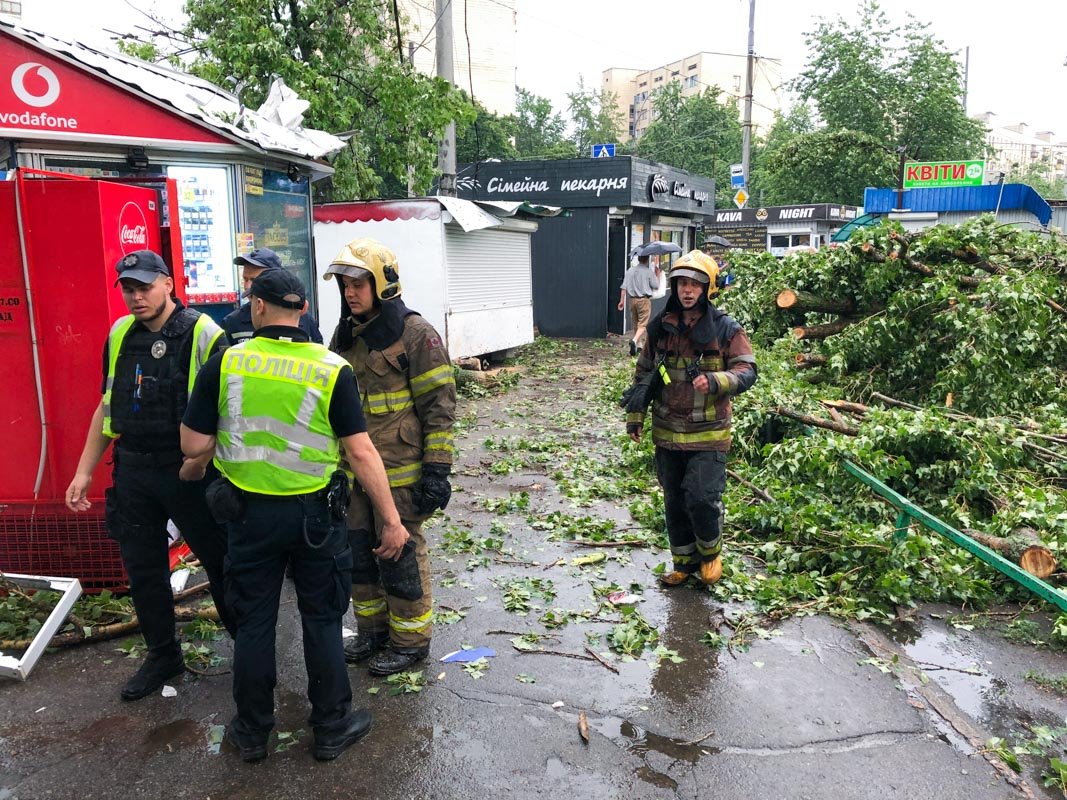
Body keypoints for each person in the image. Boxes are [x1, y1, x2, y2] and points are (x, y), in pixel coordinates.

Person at [180, 269, 408, 763]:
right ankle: (331, 727)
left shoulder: (228, 363)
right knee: (323, 619)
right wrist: (390, 519)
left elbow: (193, 444)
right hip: (315, 520)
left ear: (257, 308)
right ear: (302, 310)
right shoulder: (330, 368)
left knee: (255, 621)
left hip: (247, 517)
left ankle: (251, 732)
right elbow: (362, 452)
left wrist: (202, 460)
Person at [65, 249, 236, 701]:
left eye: (144, 286)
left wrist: (201, 461)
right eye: (128, 288)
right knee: (143, 570)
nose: (136, 297)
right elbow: (108, 406)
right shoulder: (120, 333)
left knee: (223, 564)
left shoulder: (204, 333)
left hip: (190, 472)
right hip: (135, 468)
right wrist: (84, 471)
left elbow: (231, 413)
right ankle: (164, 656)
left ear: (168, 284)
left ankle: (250, 651)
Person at [324, 237, 456, 677]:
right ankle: (372, 632)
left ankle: (410, 641)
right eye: (344, 284)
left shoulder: (416, 334)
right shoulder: (344, 336)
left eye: (359, 282)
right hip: (355, 471)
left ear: (383, 282)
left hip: (402, 472)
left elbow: (440, 408)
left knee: (399, 554)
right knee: (359, 552)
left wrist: (437, 471)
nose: (350, 292)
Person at [623, 250, 757, 587]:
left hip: (709, 433)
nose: (687, 290)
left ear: (707, 288)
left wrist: (716, 381)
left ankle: (710, 555)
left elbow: (747, 370)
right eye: (682, 283)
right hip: (667, 431)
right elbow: (643, 375)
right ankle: (683, 562)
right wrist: (635, 417)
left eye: (694, 284)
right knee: (675, 501)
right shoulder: (660, 328)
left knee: (701, 497)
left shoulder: (726, 329)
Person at [222, 247, 322, 345]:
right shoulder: (233, 322)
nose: (247, 286)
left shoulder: (305, 320)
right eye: (245, 279)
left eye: (254, 280)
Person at [618, 253, 661, 356]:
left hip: (632, 300)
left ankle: (639, 345)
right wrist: (657, 274)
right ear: (647, 260)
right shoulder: (648, 272)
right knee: (643, 324)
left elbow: (624, 287)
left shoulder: (630, 271)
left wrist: (621, 301)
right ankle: (634, 340)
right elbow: (656, 286)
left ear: (639, 259)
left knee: (635, 322)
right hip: (644, 300)